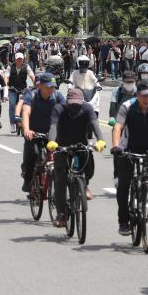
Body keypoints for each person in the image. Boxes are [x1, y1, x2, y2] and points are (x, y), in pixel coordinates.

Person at [111, 80, 148, 235]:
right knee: (123, 185)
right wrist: (116, 146)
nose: (147, 99)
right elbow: (118, 126)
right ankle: (123, 221)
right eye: (144, 96)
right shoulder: (127, 107)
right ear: (137, 95)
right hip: (128, 149)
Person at [46, 89, 106, 226]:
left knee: (89, 168)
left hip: (81, 145)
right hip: (62, 146)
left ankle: (84, 185)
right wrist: (52, 141)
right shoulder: (59, 109)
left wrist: (100, 140)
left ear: (82, 102)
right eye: (72, 104)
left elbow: (95, 124)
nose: (74, 107)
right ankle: (61, 214)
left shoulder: (87, 109)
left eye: (77, 104)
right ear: (67, 102)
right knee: (60, 178)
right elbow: (53, 126)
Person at [20, 73, 66, 192]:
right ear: (40, 85)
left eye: (53, 87)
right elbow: (25, 112)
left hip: (52, 133)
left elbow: (65, 113)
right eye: (48, 87)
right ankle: (28, 178)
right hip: (34, 133)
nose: (51, 89)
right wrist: (26, 130)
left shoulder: (58, 96)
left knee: (61, 157)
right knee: (33, 153)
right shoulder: (32, 95)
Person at [5, 52, 35, 133]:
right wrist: (6, 85)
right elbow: (6, 77)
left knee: (25, 104)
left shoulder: (26, 66)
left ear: (23, 59)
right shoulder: (10, 67)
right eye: (18, 59)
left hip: (23, 89)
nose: (19, 60)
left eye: (21, 59)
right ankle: (12, 123)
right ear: (15, 59)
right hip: (12, 88)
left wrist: (36, 85)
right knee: (12, 105)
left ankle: (24, 122)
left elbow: (32, 76)